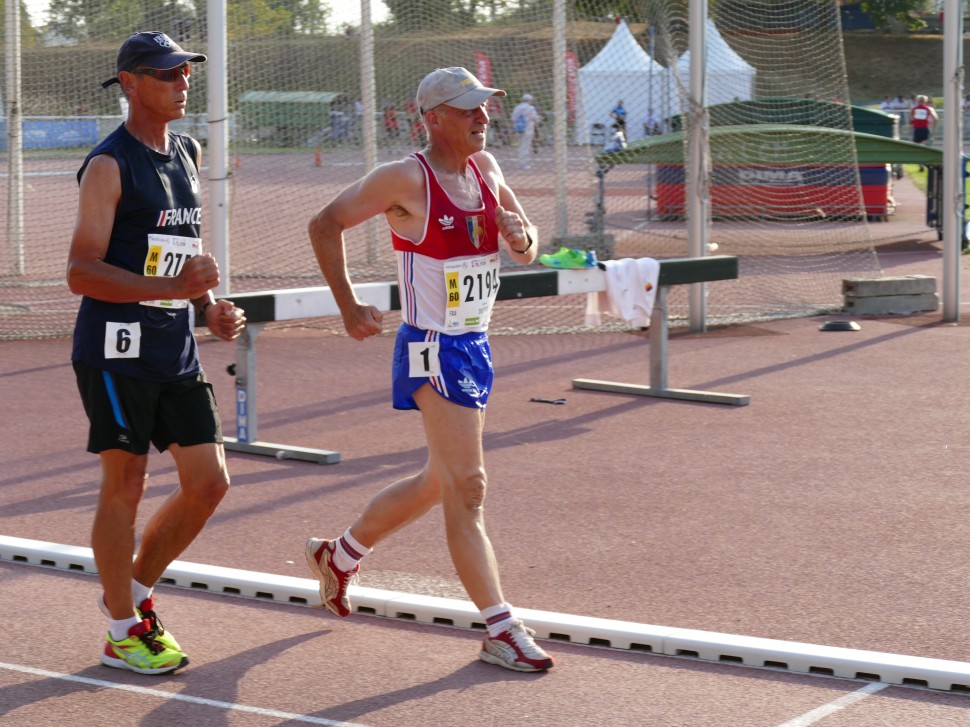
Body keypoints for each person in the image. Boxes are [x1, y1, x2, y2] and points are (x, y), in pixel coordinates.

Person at [305, 66, 554, 673]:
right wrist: (346, 305)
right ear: (434, 117)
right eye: (469, 108)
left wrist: (521, 235)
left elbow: (527, 248)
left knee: (440, 480)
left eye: (486, 106)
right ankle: (500, 628)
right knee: (469, 486)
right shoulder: (404, 179)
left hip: (475, 343)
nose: (483, 117)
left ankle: (340, 555)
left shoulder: (487, 170)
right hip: (430, 345)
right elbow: (325, 222)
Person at [66, 31, 246, 676]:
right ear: (132, 83)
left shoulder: (187, 152)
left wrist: (209, 308)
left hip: (174, 346)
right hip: (116, 350)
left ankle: (133, 594)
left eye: (186, 70)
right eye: (167, 72)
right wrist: (173, 288)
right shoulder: (109, 164)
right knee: (127, 484)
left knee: (208, 482)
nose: (182, 80)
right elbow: (81, 272)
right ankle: (122, 629)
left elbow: (184, 256)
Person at [511, 92, 541, 170]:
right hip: (528, 130)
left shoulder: (517, 107)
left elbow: (513, 118)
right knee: (526, 147)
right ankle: (524, 163)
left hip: (518, 129)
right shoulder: (531, 108)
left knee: (520, 146)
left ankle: (521, 161)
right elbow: (536, 119)